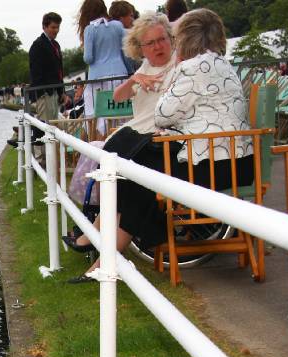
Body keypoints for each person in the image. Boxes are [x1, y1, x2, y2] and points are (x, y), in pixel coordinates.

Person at [67, 8, 254, 283]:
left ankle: (107, 257)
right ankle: (107, 257)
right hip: (237, 162)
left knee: (139, 177)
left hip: (212, 164)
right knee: (140, 171)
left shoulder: (191, 68)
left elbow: (164, 114)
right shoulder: (221, 64)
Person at [65, 11, 177, 247]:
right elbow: (118, 96)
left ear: (170, 39)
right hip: (142, 131)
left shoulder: (178, 66)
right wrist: (134, 80)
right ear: (141, 48)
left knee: (116, 160)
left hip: (158, 135)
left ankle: (97, 233)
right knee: (107, 154)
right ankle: (96, 228)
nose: (158, 47)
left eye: (162, 40)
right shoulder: (146, 66)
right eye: (150, 43)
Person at [78, 0, 132, 138]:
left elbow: (88, 58)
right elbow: (125, 53)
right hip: (120, 76)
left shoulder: (89, 30)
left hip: (97, 80)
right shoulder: (117, 26)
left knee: (99, 118)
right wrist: (130, 72)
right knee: (122, 115)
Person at [18, 12, 69, 157]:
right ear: (45, 27)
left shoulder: (56, 45)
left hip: (54, 92)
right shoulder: (37, 46)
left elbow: (59, 71)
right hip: (44, 93)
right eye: (53, 27)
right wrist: (40, 94)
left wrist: (61, 92)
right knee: (43, 126)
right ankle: (40, 159)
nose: (56, 30)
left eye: (57, 27)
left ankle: (50, 158)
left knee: (51, 126)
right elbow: (36, 73)